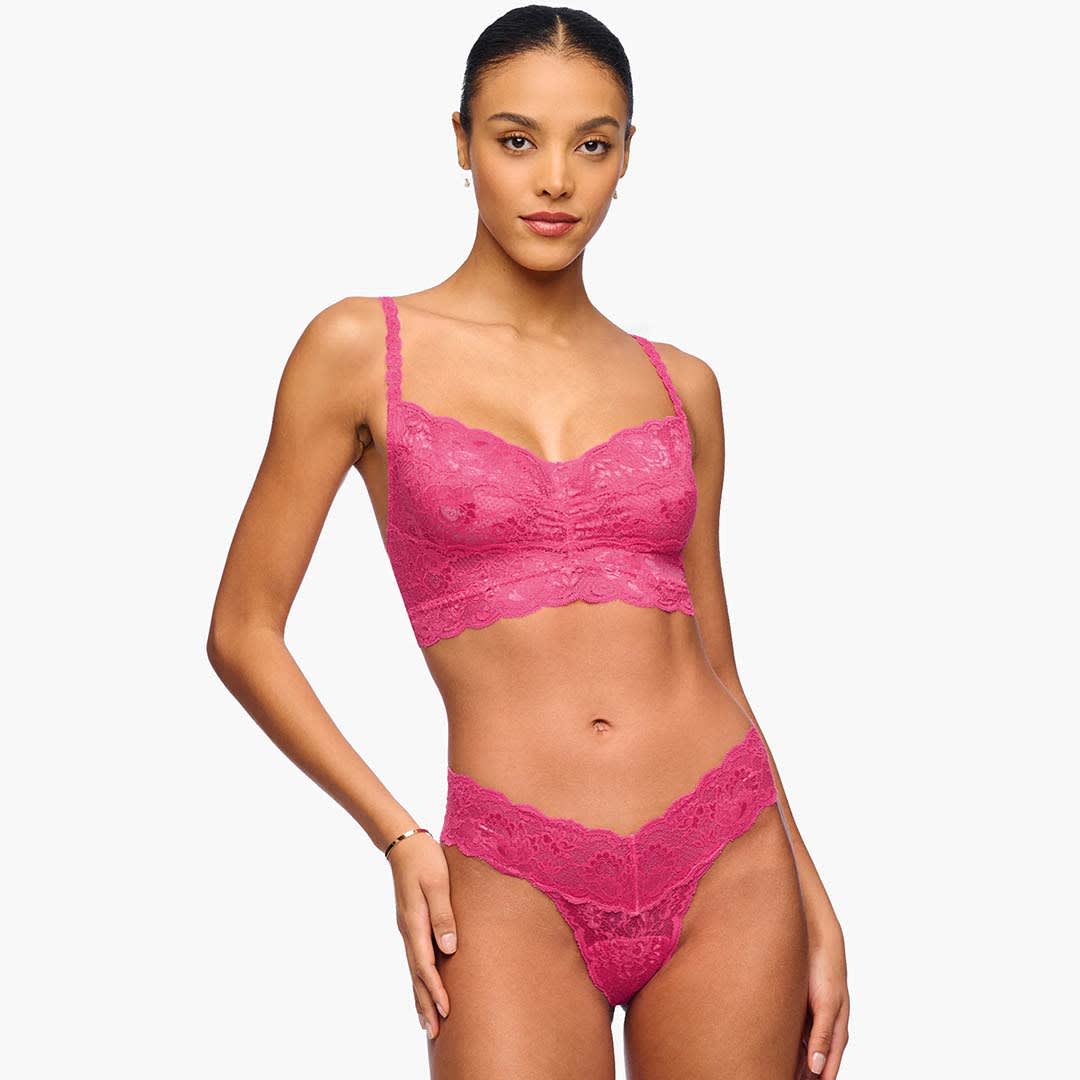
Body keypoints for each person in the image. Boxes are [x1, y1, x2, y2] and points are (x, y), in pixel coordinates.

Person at [207, 5, 850, 1077]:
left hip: (730, 856)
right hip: (508, 870)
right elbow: (243, 630)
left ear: (627, 156)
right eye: (517, 140)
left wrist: (813, 900)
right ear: (461, 141)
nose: (555, 180)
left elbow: (717, 664)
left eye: (592, 144)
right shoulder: (360, 348)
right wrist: (397, 834)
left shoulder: (682, 385)